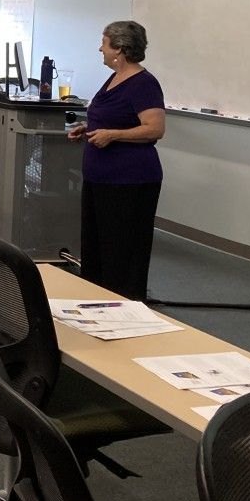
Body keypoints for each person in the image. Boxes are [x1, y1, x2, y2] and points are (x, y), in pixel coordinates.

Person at [67, 21, 166, 300]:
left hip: (130, 180)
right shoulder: (114, 78)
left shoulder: (144, 83)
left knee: (122, 251)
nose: (100, 48)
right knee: (97, 248)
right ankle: (97, 303)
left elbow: (155, 129)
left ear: (119, 49)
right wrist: (89, 129)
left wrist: (113, 135)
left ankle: (125, 307)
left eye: (105, 43)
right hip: (101, 177)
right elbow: (116, 117)